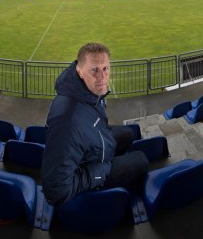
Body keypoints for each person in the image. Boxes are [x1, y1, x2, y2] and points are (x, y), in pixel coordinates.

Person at [41, 42, 149, 206]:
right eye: (94, 70)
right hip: (92, 168)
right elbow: (55, 191)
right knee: (141, 160)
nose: (102, 77)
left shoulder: (88, 92)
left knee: (128, 133)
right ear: (79, 71)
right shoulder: (67, 121)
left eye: (105, 69)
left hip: (91, 145)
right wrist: (100, 171)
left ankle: (112, 157)